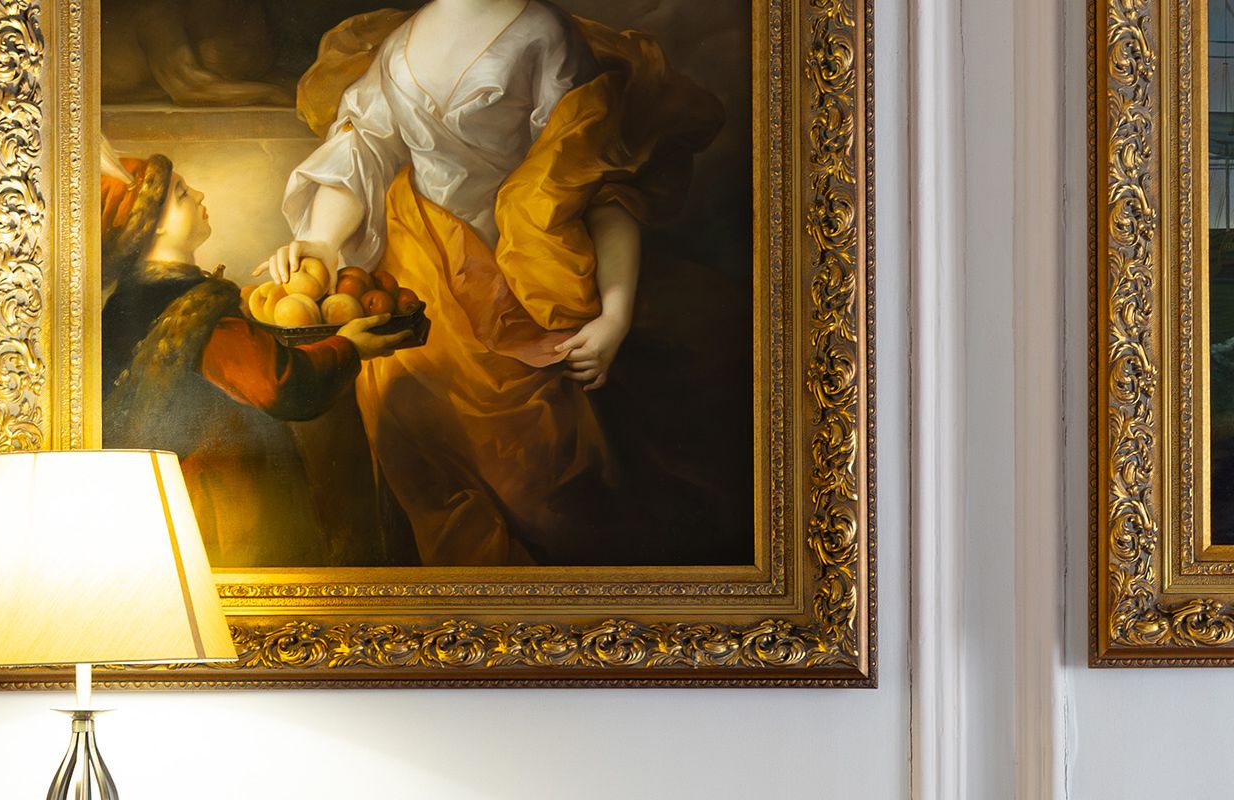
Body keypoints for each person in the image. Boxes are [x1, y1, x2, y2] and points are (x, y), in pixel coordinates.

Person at [257, 0, 749, 567]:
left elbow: (597, 187)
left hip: (529, 287)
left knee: (544, 485)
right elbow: (363, 150)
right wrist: (321, 240)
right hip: (423, 284)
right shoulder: (398, 45)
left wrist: (615, 315)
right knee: (420, 455)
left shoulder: (543, 34)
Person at [98, 153, 410, 566]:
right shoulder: (194, 310)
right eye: (182, 193)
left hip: (167, 511)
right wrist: (349, 348)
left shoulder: (126, 301)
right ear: (154, 223)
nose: (199, 195)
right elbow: (280, 384)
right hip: (224, 513)